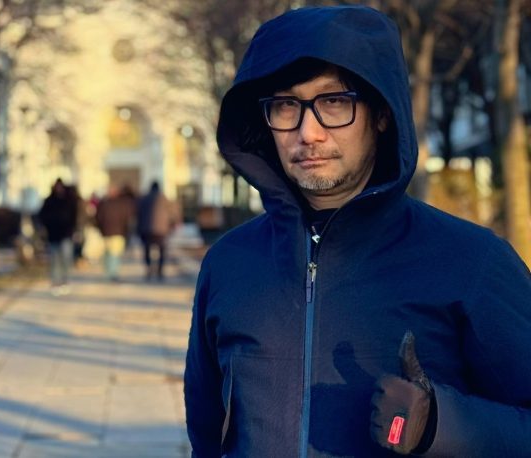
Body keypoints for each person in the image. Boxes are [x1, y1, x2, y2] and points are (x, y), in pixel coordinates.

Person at [184, 6, 531, 458]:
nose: (308, 132)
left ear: (381, 112)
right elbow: (206, 435)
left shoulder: (472, 262)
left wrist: (441, 425)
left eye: (333, 102)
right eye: (286, 105)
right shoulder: (229, 263)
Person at [38, 178, 78, 293]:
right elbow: (42, 216)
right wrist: (47, 226)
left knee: (66, 258)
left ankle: (65, 281)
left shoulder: (69, 201)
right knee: (55, 260)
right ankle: (55, 282)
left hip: (66, 234)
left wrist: (74, 230)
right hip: (53, 235)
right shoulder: (49, 201)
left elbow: (74, 217)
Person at [136, 181, 179, 281]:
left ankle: (149, 269)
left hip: (146, 229)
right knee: (162, 251)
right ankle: (160, 271)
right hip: (162, 230)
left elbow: (138, 213)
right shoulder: (165, 199)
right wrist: (171, 226)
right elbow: (173, 213)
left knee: (147, 250)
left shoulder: (144, 199)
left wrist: (139, 228)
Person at [95, 184, 135, 281]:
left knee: (109, 254)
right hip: (117, 233)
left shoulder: (104, 203)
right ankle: (112, 273)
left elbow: (98, 218)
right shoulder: (122, 204)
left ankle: (110, 272)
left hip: (108, 232)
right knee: (114, 254)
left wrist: (101, 228)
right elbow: (127, 218)